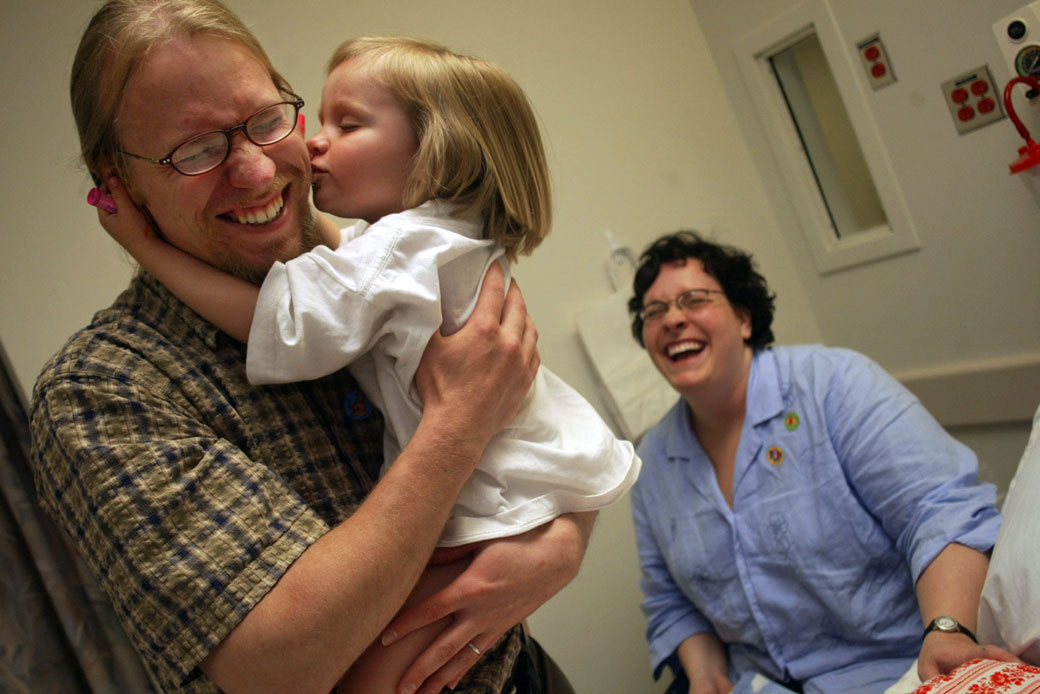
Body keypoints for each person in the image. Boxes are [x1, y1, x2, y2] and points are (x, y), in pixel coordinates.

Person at [30, 2, 594, 694]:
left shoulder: (372, 252)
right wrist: (457, 426)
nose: (256, 173)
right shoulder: (102, 393)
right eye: (197, 150)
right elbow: (277, 666)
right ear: (116, 177)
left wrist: (561, 544)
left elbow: (529, 431)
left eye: (267, 121)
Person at [626, 231, 1018, 694]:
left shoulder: (834, 386)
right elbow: (671, 599)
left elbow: (939, 511)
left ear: (744, 318)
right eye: (655, 311)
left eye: (694, 299)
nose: (672, 319)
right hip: (758, 684)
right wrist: (706, 677)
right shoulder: (652, 461)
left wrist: (948, 630)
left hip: (900, 670)